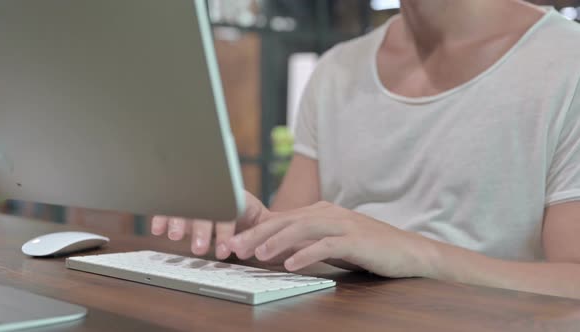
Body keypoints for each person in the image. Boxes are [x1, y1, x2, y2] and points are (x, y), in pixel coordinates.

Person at [152, 0, 580, 299]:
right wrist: (255, 228)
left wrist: (416, 252)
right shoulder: (337, 69)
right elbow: (291, 248)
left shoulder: (566, 62)